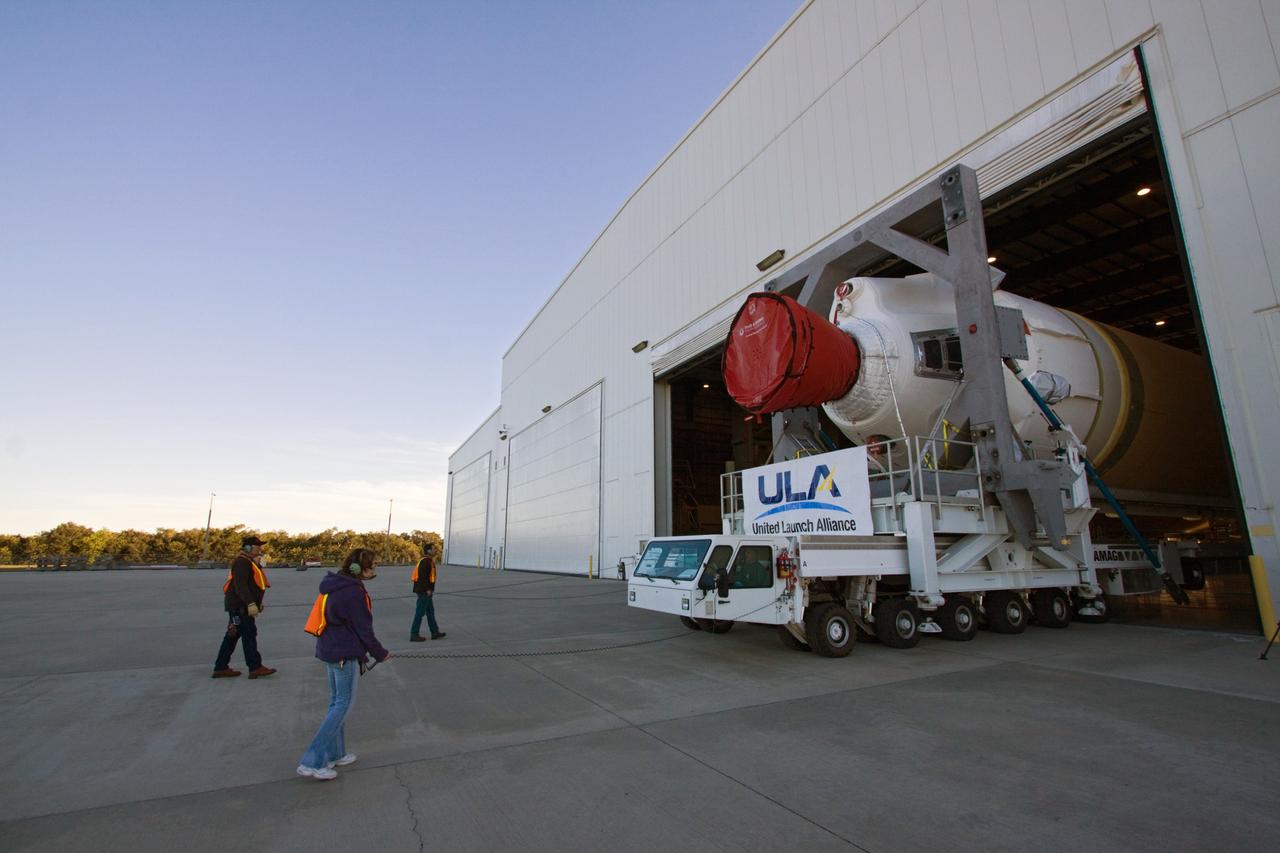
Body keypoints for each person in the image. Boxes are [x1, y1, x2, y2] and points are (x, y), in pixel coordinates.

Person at [296, 548, 391, 781]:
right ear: (360, 568)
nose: (375, 569)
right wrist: (380, 653)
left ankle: (335, 753)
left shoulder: (335, 584)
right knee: (342, 705)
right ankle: (313, 761)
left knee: (336, 702)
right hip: (344, 654)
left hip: (330, 650)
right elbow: (364, 630)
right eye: (372, 565)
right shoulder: (353, 593)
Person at [212, 535, 277, 679]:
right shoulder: (242, 563)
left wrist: (257, 602)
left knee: (233, 635)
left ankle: (221, 667)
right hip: (239, 607)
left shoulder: (249, 562)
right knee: (249, 634)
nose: (260, 548)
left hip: (239, 606)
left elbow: (253, 585)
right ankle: (255, 667)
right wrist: (250, 603)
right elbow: (240, 586)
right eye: (257, 546)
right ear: (247, 548)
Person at [410, 547, 446, 641]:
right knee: (420, 613)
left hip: (425, 591)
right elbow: (423, 577)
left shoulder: (427, 561)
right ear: (428, 551)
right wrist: (428, 589)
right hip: (424, 591)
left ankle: (434, 632)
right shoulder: (425, 561)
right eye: (433, 549)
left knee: (430, 612)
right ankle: (414, 634)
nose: (435, 550)